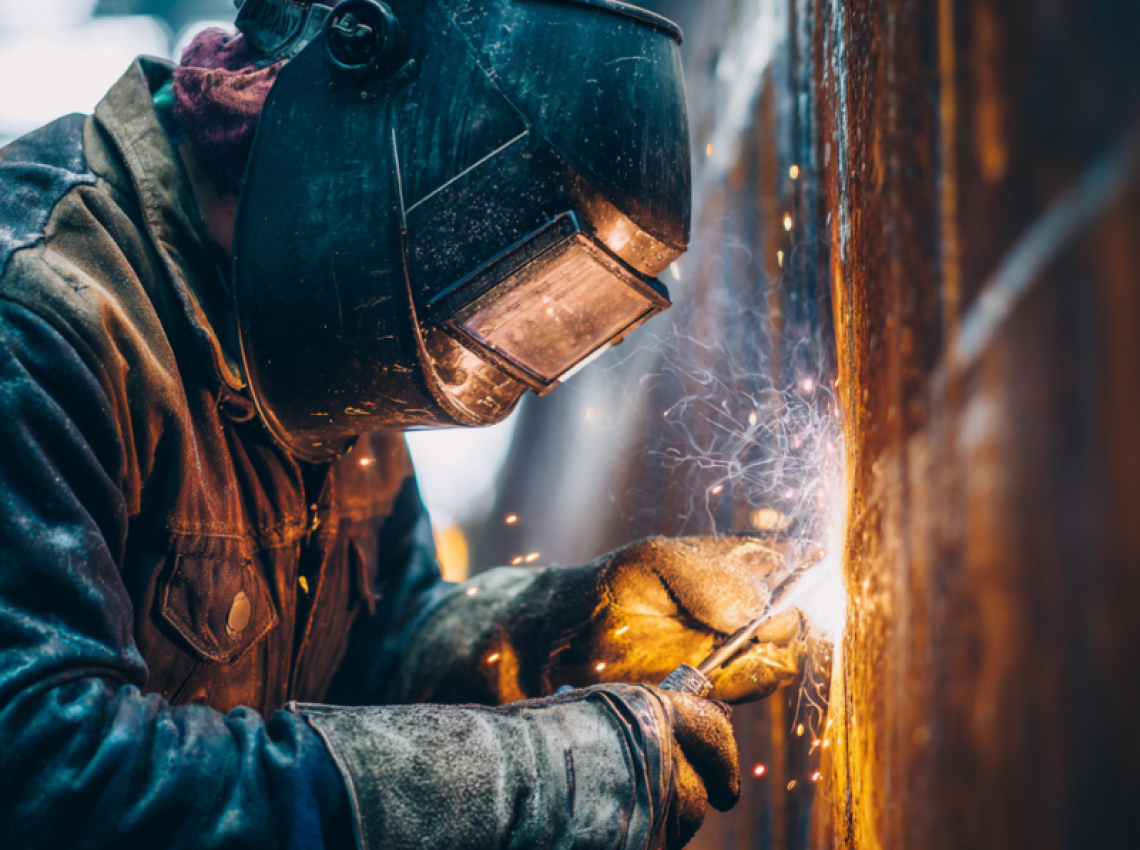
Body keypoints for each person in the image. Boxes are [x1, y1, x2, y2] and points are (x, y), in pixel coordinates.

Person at [0, 1, 804, 848]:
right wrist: (534, 778)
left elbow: (375, 655)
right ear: (356, 72)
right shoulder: (43, 320)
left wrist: (568, 625)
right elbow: (48, 775)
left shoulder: (317, 323)